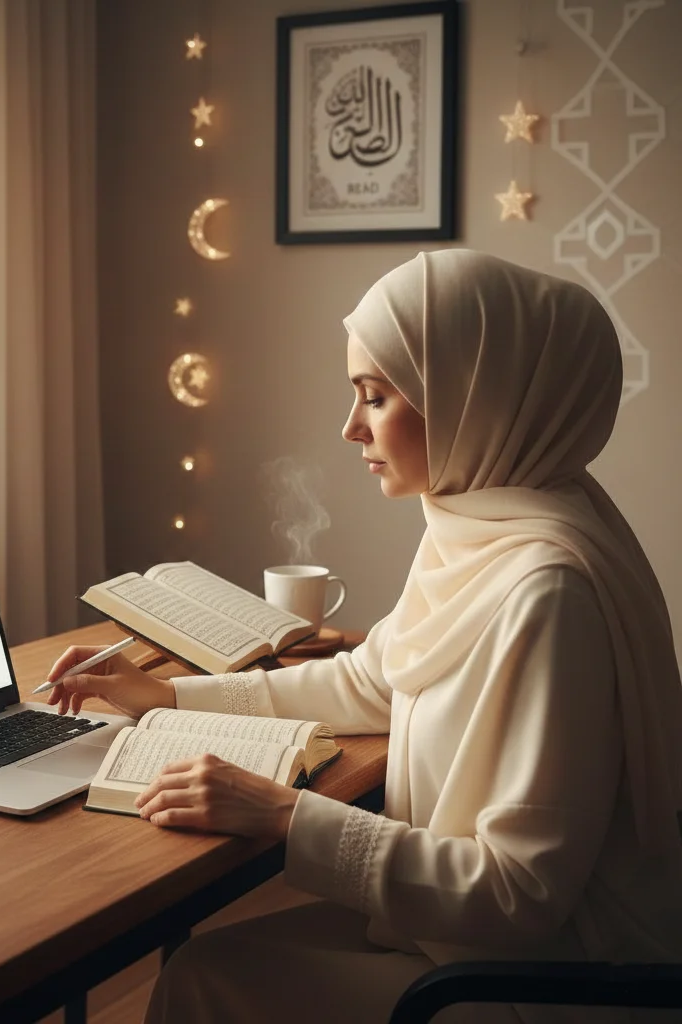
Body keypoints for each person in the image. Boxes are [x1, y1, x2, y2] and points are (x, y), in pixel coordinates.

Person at [44, 249, 682, 1023]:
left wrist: (284, 816)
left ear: (472, 397)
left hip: (538, 982)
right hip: (457, 943)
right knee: (201, 969)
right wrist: (168, 695)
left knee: (201, 981)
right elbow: (372, 679)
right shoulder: (478, 525)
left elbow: (519, 894)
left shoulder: (549, 592)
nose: (350, 428)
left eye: (375, 397)